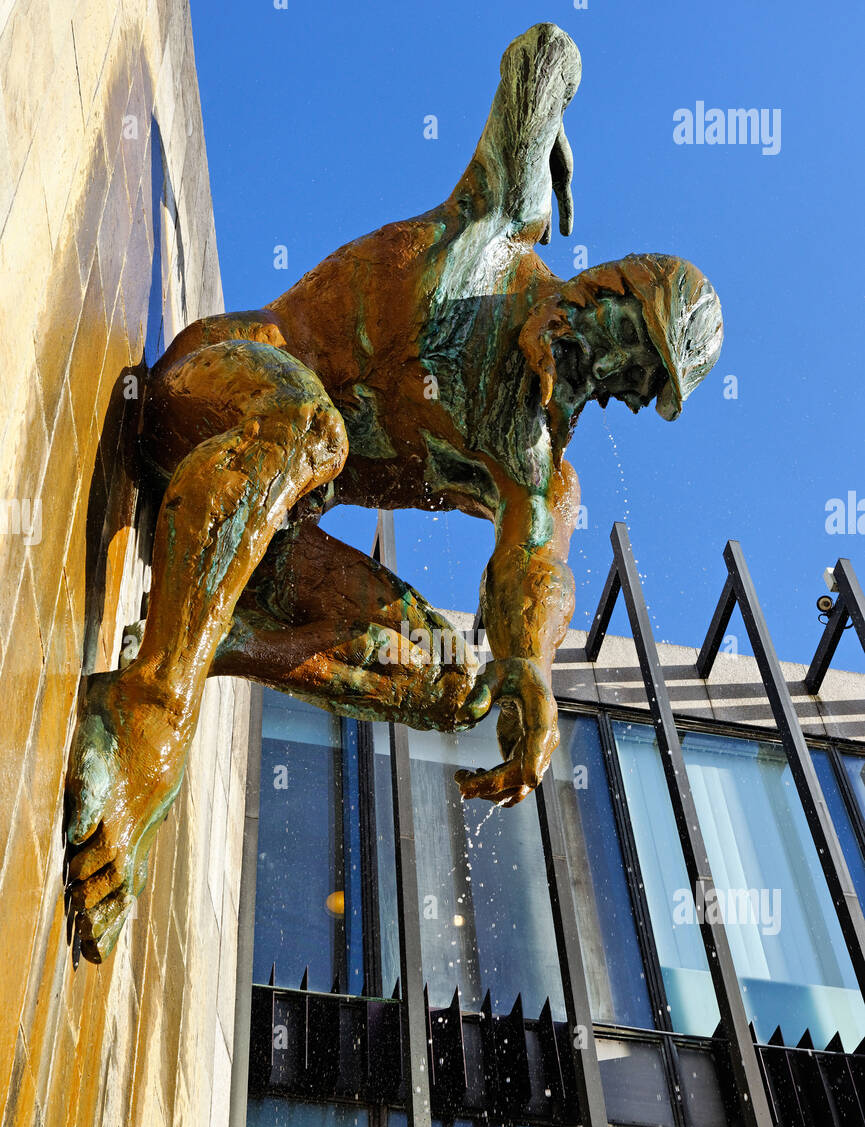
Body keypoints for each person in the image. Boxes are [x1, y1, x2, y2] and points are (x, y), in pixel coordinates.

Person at [65, 23, 722, 961]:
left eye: (626, 380)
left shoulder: (534, 460)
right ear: (608, 282)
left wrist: (530, 674)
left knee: (457, 679)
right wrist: (553, 101)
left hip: (261, 534)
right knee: (315, 434)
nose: (600, 369)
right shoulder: (498, 229)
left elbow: (533, 569)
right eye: (617, 337)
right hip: (216, 396)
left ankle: (204, 638)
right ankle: (147, 713)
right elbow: (539, 53)